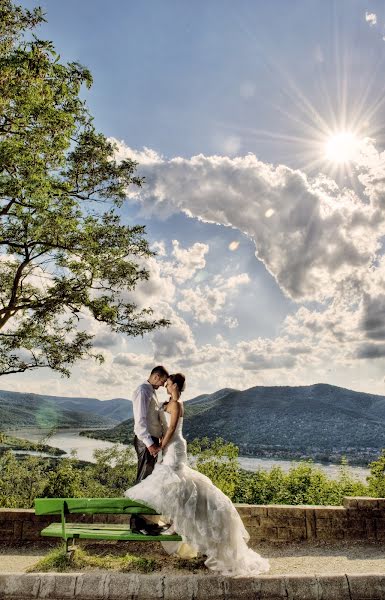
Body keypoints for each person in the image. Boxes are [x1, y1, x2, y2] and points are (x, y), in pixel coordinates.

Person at [125, 373, 269, 577]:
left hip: (174, 446)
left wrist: (160, 446)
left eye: (167, 384)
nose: (165, 386)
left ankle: (174, 524)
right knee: (174, 485)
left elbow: (173, 427)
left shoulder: (177, 404)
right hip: (167, 447)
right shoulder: (167, 402)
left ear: (175, 385)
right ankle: (175, 523)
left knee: (175, 482)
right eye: (164, 383)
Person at [130, 365, 169, 534]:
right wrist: (150, 443)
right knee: (143, 481)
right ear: (155, 376)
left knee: (148, 481)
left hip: (152, 440)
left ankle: (144, 522)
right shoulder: (142, 391)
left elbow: (153, 418)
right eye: (162, 381)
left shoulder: (151, 391)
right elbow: (140, 422)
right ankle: (136, 524)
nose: (162, 384)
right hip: (146, 442)